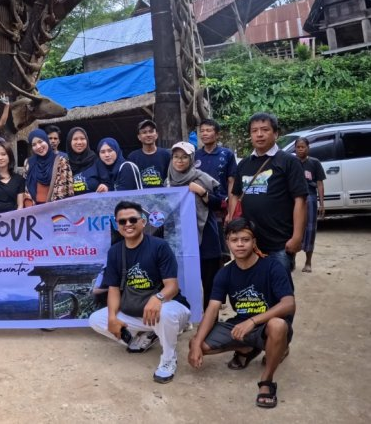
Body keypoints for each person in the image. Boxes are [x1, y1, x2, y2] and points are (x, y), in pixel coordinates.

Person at [188, 219, 295, 409]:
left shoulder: (272, 266)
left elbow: (289, 304)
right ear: (227, 243)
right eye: (234, 240)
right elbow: (212, 309)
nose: (239, 244)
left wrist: (253, 321)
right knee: (197, 343)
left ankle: (267, 381)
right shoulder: (225, 273)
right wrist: (196, 344)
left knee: (277, 325)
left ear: (254, 242)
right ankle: (247, 348)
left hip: (267, 326)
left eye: (245, 239)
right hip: (239, 325)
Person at [88, 201, 191, 384]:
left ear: (143, 222)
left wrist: (158, 298)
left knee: (165, 314)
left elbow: (172, 286)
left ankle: (168, 358)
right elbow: (113, 289)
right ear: (117, 225)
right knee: (96, 319)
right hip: (137, 310)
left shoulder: (159, 246)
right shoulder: (115, 252)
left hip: (169, 307)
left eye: (133, 220)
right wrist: (111, 317)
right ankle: (146, 337)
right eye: (122, 221)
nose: (128, 224)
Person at [228, 113, 308, 272]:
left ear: (276, 133)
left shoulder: (289, 162)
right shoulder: (244, 164)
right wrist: (235, 228)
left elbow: (300, 200)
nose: (259, 134)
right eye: (254, 131)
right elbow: (235, 195)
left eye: (265, 130)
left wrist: (297, 237)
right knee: (253, 284)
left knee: (278, 285)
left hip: (279, 243)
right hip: (249, 242)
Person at [166, 141, 220, 306]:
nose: (180, 160)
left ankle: (210, 317)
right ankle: (186, 315)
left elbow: (219, 204)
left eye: (184, 157)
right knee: (182, 280)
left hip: (205, 237)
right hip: (180, 239)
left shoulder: (201, 178)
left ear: (191, 159)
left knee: (209, 282)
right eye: (176, 157)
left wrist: (202, 192)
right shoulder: (167, 182)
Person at [196, 118, 238, 261]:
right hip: (200, 207)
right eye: (202, 131)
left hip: (220, 208)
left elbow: (231, 182)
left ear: (217, 134)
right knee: (203, 248)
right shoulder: (195, 155)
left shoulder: (227, 154)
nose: (204, 134)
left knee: (221, 250)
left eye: (208, 130)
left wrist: (231, 212)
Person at [294, 137, 325, 272]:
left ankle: (308, 262)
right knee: (292, 228)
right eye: (298, 147)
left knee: (310, 229)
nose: (300, 149)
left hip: (310, 198)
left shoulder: (314, 162)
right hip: (294, 198)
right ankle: (292, 260)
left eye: (303, 147)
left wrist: (322, 203)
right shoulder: (291, 162)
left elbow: (319, 183)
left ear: (308, 148)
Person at [23, 128, 73, 205]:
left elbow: (67, 189)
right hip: (34, 209)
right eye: (34, 145)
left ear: (46, 140)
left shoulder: (61, 161)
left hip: (56, 208)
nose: (38, 146)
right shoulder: (28, 163)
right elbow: (25, 189)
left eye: (40, 142)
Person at [127, 119, 172, 188]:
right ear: (139, 137)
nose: (148, 135)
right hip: (141, 194)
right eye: (144, 132)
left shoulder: (166, 155)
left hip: (162, 194)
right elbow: (130, 181)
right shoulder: (132, 157)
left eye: (151, 131)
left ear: (156, 135)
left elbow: (171, 178)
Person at [65, 127, 96, 194]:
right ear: (69, 142)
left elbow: (106, 182)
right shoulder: (64, 163)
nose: (79, 142)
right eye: (75, 139)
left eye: (82, 138)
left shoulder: (96, 160)